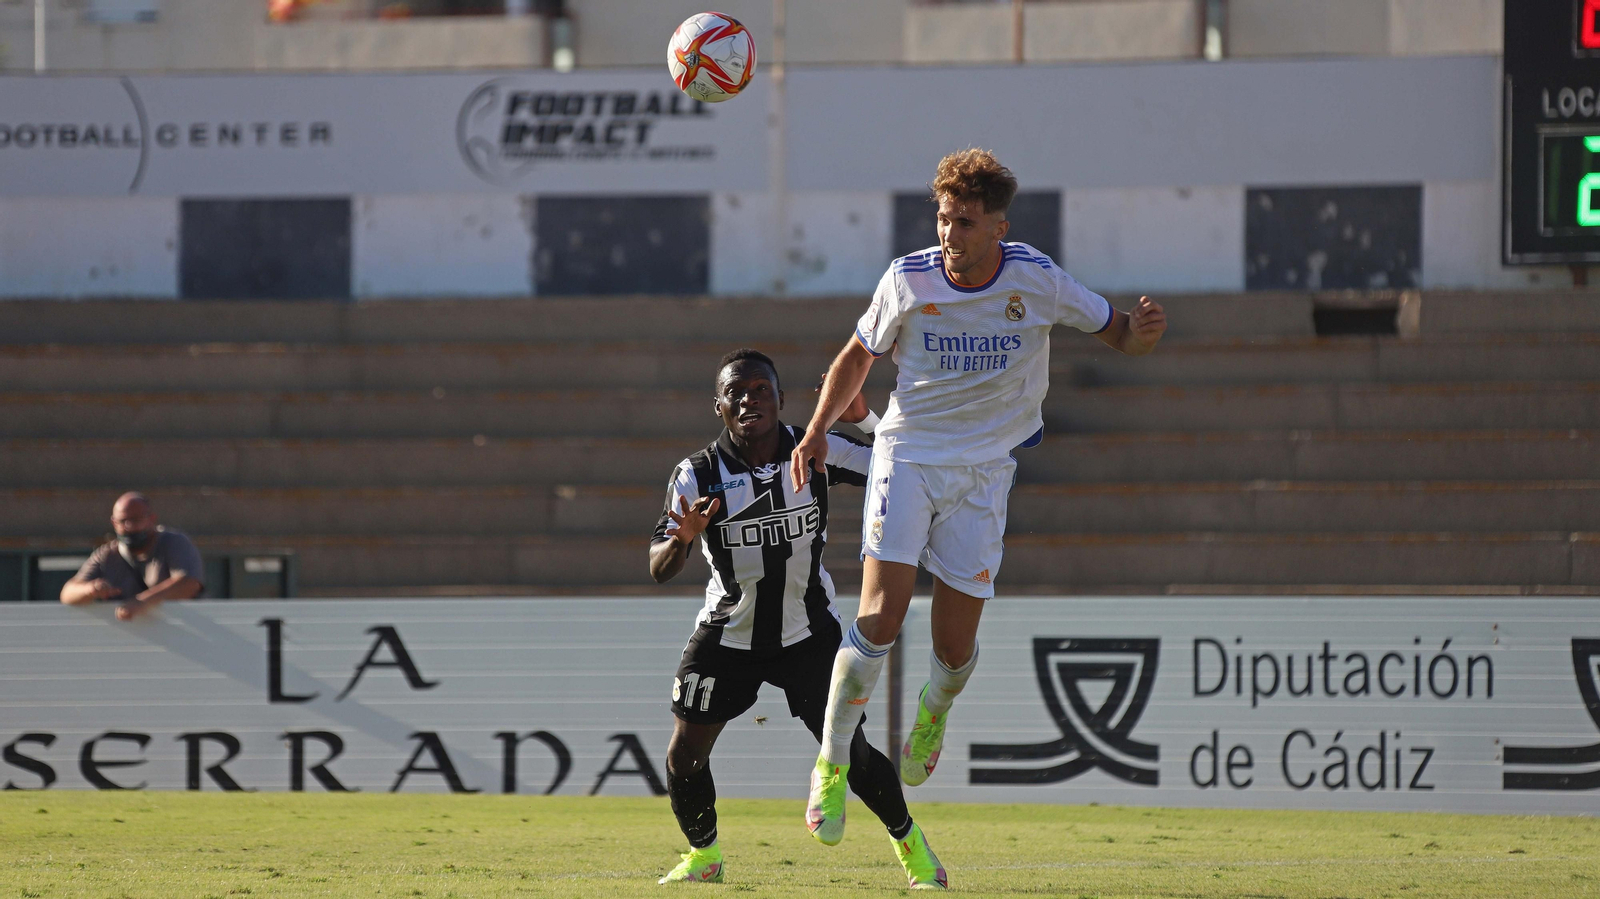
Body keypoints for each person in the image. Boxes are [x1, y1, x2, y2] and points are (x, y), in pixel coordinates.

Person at [791, 149, 1168, 846]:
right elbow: (856, 354)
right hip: (908, 455)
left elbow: (1119, 334)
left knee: (954, 650)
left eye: (964, 221)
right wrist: (816, 432)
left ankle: (934, 707)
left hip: (986, 471)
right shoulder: (908, 279)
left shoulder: (1036, 278)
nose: (949, 234)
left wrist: (1142, 336)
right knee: (879, 615)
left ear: (998, 225)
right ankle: (831, 761)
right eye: (942, 218)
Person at [649, 349, 946, 890]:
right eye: (735, 393)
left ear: (780, 399)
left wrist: (864, 418)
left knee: (850, 752)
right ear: (719, 407)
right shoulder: (695, 475)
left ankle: (914, 849)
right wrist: (684, 540)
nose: (748, 399)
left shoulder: (813, 451)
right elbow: (658, 567)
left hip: (808, 635)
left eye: (760, 389)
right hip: (727, 635)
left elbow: (899, 456)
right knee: (683, 755)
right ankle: (704, 855)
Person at [60, 492, 205, 621]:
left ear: (152, 519)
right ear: (114, 523)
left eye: (136, 520)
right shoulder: (107, 554)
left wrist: (142, 602)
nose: (129, 526)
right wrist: (91, 589)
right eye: (123, 521)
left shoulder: (174, 542)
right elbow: (67, 594)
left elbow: (189, 584)